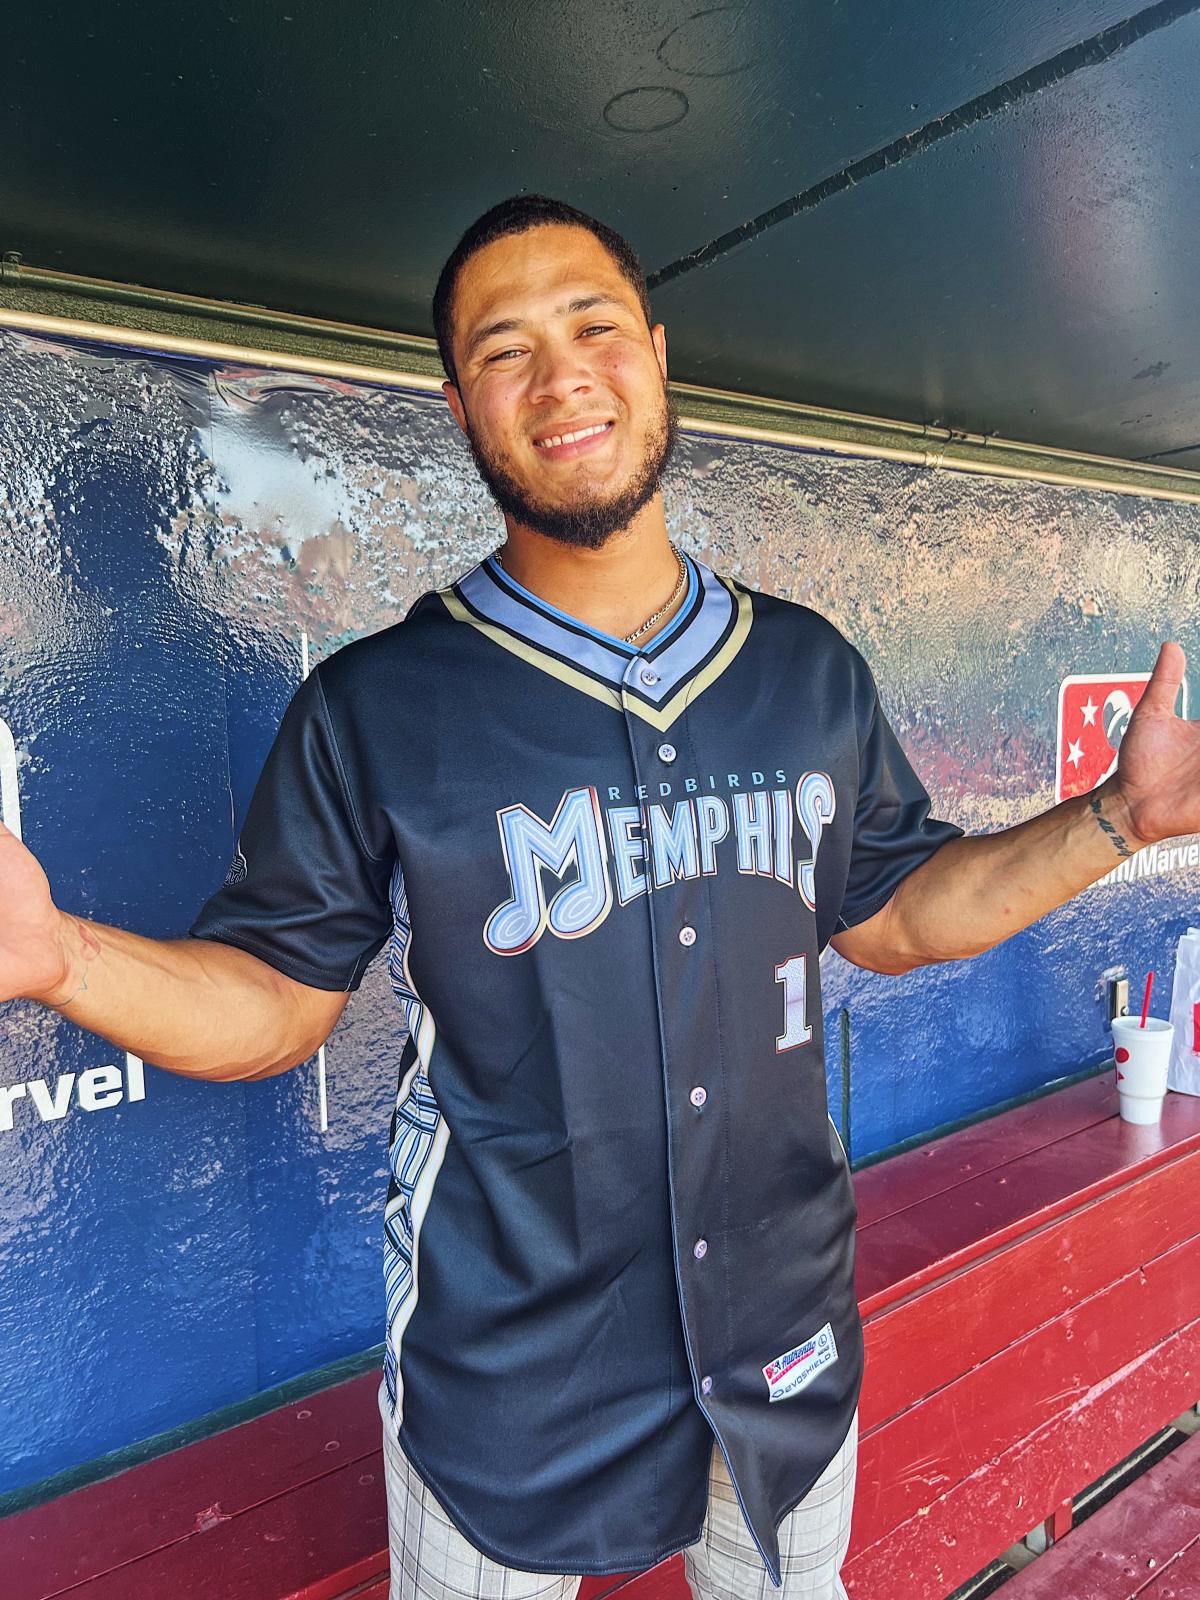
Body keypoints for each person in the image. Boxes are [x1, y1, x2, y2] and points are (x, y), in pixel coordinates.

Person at [2, 194, 1197, 1600]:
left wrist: (1116, 820)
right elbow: (272, 1002)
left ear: (658, 353)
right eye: (504, 350)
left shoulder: (805, 671)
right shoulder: (380, 705)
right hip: (509, 1363)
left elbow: (891, 911)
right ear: (458, 407)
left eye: (593, 327)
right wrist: (57, 957)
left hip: (781, 1333)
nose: (561, 374)